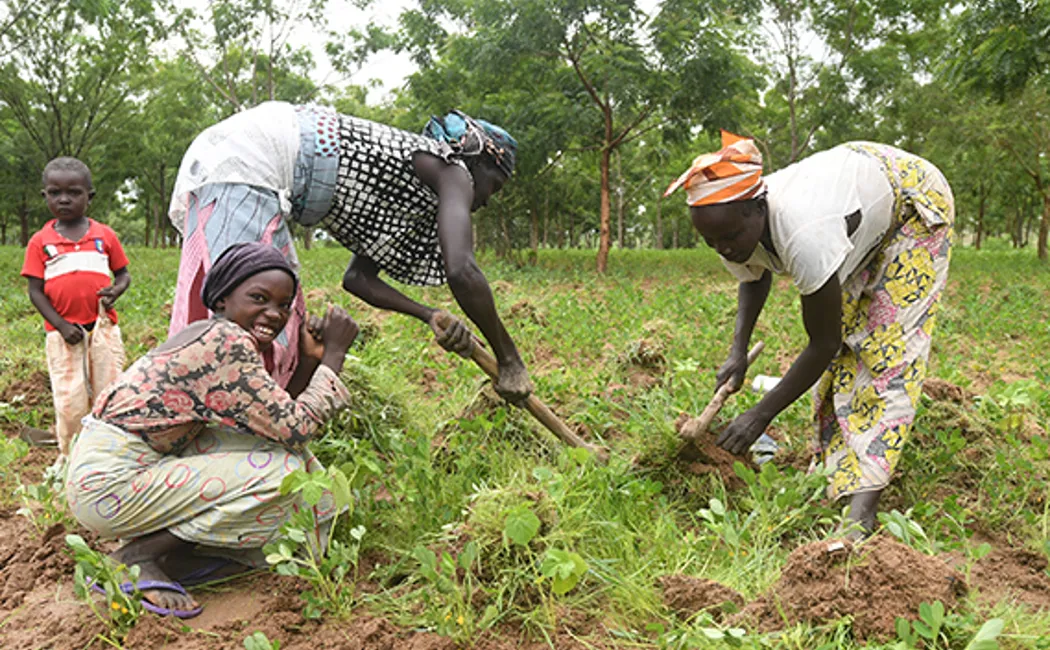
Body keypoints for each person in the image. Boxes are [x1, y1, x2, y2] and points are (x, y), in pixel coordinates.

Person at [665, 131, 954, 535]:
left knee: (885, 356)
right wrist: (738, 350)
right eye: (711, 241)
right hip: (857, 198)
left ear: (757, 210)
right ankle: (835, 473)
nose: (723, 249)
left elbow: (823, 344)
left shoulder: (805, 234)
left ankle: (863, 507)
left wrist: (760, 415)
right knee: (844, 359)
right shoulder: (732, 226)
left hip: (911, 203)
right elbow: (754, 276)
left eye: (728, 238)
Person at [65, 242, 359, 618]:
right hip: (111, 483)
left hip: (113, 474)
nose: (273, 313)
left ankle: (176, 552)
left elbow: (279, 425)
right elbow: (298, 428)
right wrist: (335, 356)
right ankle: (136, 556)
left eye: (284, 305)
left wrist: (310, 361)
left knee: (275, 454)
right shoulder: (226, 343)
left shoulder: (213, 336)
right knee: (281, 474)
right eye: (259, 298)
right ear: (221, 300)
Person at [168, 102, 532, 401]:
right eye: (494, 185)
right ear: (477, 162)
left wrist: (428, 314)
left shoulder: (409, 193)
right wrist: (509, 359)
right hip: (248, 160)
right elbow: (462, 270)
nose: (484, 200)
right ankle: (238, 441)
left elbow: (358, 279)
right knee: (248, 327)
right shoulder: (452, 169)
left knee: (263, 322)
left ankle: (242, 429)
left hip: (234, 160)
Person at [21, 157, 130, 456]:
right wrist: (61, 324)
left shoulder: (104, 236)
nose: (64, 199)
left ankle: (108, 451)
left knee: (109, 389)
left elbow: (123, 274)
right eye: (55, 193)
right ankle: (70, 454)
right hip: (64, 334)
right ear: (45, 196)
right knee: (70, 397)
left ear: (89, 196)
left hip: (102, 329)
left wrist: (116, 290)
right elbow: (35, 291)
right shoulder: (40, 242)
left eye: (74, 192)